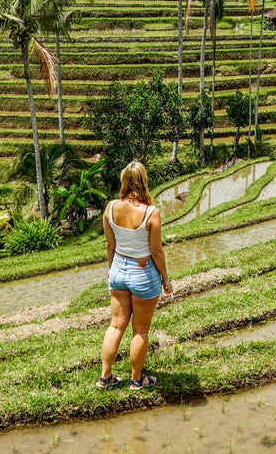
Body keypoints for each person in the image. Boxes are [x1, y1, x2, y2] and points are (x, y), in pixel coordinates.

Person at [98, 161, 172, 390]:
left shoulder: (110, 208)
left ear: (124, 181)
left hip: (118, 269)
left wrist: (113, 271)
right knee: (140, 331)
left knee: (115, 326)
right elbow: (157, 252)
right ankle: (137, 379)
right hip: (143, 273)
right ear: (144, 182)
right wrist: (166, 278)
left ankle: (105, 377)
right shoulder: (152, 213)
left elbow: (110, 245)